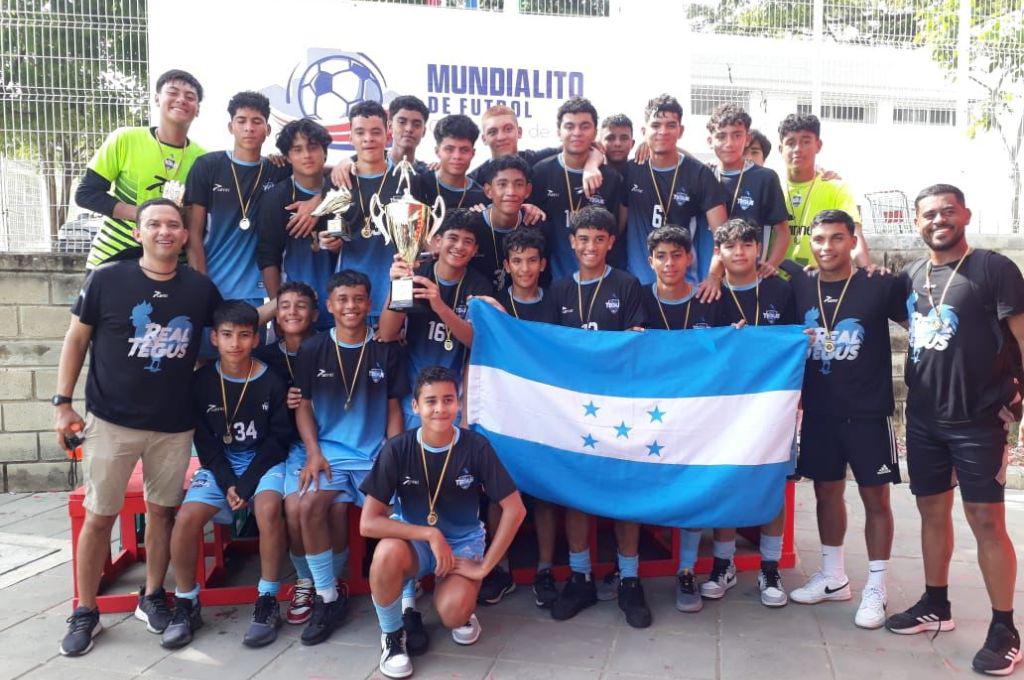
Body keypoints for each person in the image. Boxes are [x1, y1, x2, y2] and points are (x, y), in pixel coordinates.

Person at [56, 198, 222, 656]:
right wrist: (62, 403)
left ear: (185, 235)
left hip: (173, 425)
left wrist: (280, 309)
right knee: (99, 516)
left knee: (161, 513)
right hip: (112, 421)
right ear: (138, 232)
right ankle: (86, 610)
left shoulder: (199, 289)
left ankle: (152, 596)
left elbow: (232, 327)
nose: (164, 231)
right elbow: (76, 338)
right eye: (154, 224)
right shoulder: (106, 279)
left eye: (173, 224)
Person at [885, 184, 1024, 676]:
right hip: (925, 419)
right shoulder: (911, 275)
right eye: (928, 214)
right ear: (916, 223)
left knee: (986, 521)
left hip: (979, 419)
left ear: (965, 214)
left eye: (948, 211)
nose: (938, 220)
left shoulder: (993, 269)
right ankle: (935, 603)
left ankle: (1004, 628)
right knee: (931, 514)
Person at [359, 366, 526, 679]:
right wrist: (429, 534)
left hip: (462, 542)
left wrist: (485, 567)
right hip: (416, 541)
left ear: (458, 403)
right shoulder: (398, 448)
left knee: (453, 614)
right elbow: (368, 523)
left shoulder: (476, 446)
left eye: (448, 400)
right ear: (415, 406)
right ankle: (393, 636)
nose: (440, 408)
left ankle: (453, 597)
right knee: (385, 553)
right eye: (431, 401)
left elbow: (515, 510)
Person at [781, 210, 905, 629]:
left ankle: (877, 586)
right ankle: (833, 577)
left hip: (868, 411)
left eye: (837, 238)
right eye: (819, 239)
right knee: (825, 493)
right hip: (819, 410)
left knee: (876, 499)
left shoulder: (878, 283)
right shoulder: (800, 283)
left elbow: (919, 324)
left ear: (853, 240)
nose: (827, 246)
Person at [161, 301, 292, 649]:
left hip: (263, 462)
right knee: (186, 519)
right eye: (228, 335)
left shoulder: (272, 380)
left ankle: (267, 599)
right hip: (221, 465)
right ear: (214, 338)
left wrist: (246, 484)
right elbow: (204, 440)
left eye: (245, 335)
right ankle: (186, 602)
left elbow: (278, 440)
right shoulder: (202, 381)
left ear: (256, 338)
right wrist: (228, 481)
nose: (236, 343)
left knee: (268, 509)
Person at [290, 270, 408, 646]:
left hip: (375, 456)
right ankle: (327, 597)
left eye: (358, 299)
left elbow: (394, 408)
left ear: (369, 303)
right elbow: (303, 405)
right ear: (329, 305)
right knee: (307, 505)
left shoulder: (386, 348)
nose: (351, 306)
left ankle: (407, 604)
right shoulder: (312, 348)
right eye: (342, 299)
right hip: (331, 455)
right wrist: (313, 452)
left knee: (401, 512)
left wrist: (393, 457)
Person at [547, 205, 650, 628]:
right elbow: (546, 348)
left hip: (619, 406)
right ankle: (580, 577)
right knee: (577, 491)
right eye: (583, 238)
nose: (591, 246)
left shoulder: (626, 284)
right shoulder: (558, 290)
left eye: (599, 239)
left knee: (625, 491)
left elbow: (635, 345)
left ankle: (630, 579)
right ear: (572, 242)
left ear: (611, 242)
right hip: (574, 409)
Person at [699, 218, 795, 607]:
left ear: (758, 249)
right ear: (718, 253)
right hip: (725, 408)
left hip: (772, 405)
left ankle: (770, 567)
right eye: (730, 246)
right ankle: (723, 563)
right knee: (726, 481)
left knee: (773, 481)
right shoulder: (709, 294)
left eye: (746, 245)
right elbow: (700, 353)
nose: (739, 252)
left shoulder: (780, 290)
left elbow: (795, 338)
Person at [475, 228, 559, 608]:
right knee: (500, 492)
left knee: (545, 494)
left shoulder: (555, 301)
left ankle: (545, 570)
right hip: (503, 411)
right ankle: (500, 568)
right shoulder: (492, 306)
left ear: (543, 264)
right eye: (518, 261)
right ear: (507, 266)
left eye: (532, 261)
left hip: (547, 410)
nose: (525, 268)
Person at [250, 281, 326, 625]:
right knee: (292, 506)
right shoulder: (264, 357)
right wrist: (281, 402)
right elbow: (255, 405)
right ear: (274, 315)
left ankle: (328, 581)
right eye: (284, 306)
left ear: (315, 313)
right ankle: (305, 580)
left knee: (321, 506)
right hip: (284, 447)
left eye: (301, 305)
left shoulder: (329, 346)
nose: (292, 312)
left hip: (330, 440)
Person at [378, 209, 493, 429]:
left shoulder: (479, 285)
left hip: (453, 398)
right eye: (453, 238)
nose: (459, 246)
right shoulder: (418, 274)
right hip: (413, 393)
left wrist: (439, 306)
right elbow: (387, 333)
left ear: (475, 250)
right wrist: (398, 285)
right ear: (438, 241)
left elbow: (475, 341)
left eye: (467, 241)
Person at [78, 69, 205, 269]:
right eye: (172, 93)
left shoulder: (202, 159)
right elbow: (86, 194)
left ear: (197, 109)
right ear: (157, 99)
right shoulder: (125, 139)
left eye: (190, 97)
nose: (181, 100)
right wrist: (145, 215)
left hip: (170, 265)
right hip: (114, 259)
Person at [185, 91, 292, 308]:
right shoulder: (207, 166)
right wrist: (202, 288)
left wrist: (347, 163)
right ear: (230, 126)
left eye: (256, 121)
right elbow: (193, 234)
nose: (248, 128)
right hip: (212, 286)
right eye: (241, 121)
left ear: (267, 130)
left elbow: (317, 173)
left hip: (255, 293)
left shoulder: (278, 169)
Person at [618, 94, 728, 294]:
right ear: (644, 131)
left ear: (681, 130)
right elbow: (617, 229)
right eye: (655, 125)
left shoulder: (700, 175)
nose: (663, 131)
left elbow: (723, 235)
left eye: (670, 125)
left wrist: (714, 276)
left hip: (685, 286)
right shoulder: (629, 171)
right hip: (639, 286)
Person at [321, 100, 406, 324]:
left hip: (394, 290)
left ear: (388, 134)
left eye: (375, 132)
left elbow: (417, 240)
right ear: (350, 136)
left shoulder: (407, 179)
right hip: (351, 297)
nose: (368, 138)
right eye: (360, 132)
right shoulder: (337, 181)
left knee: (392, 343)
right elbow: (329, 238)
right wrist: (328, 243)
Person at [530, 97, 624, 279]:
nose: (577, 133)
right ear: (559, 132)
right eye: (569, 126)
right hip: (551, 281)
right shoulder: (541, 172)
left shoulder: (610, 178)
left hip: (597, 281)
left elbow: (614, 233)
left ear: (595, 132)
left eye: (584, 126)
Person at [256, 119, 337, 330]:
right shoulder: (276, 198)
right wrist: (280, 309)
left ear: (325, 152)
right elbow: (268, 256)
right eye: (297, 149)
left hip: (342, 304)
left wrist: (321, 201)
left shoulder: (342, 191)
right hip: (298, 307)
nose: (307, 155)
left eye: (313, 147)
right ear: (288, 157)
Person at [705, 103, 790, 277]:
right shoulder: (703, 175)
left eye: (737, 135)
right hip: (708, 279)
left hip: (750, 277)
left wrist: (771, 264)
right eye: (721, 136)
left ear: (747, 138)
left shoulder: (765, 178)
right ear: (710, 141)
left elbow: (783, 232)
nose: (729, 143)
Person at [778, 113, 872, 269]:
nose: (798, 149)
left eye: (806, 142)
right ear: (781, 149)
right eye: (790, 142)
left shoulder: (837, 188)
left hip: (820, 279)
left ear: (818, 145)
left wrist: (868, 271)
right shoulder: (772, 187)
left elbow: (855, 234)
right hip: (774, 278)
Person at [329, 95, 431, 187]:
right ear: (389, 126)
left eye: (416, 124)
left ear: (424, 131)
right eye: (402, 122)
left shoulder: (426, 175)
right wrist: (343, 163)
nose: (409, 129)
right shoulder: (352, 166)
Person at [469, 155, 535, 291]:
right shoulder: (471, 226)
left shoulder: (535, 224)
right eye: (502, 184)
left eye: (518, 184)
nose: (511, 192)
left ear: (528, 190)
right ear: (488, 191)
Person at [642, 224, 715, 332]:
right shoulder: (638, 298)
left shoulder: (707, 299)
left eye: (676, 255)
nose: (669, 263)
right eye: (661, 256)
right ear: (651, 262)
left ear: (689, 258)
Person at [409, 114, 486, 211]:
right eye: (449, 149)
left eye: (464, 150)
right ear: (437, 151)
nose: (457, 156)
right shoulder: (418, 184)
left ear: (473, 153)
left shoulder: (481, 198)